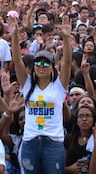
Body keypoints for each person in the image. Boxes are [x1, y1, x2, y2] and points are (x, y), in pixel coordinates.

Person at [11, 15, 72, 174]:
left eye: (46, 63)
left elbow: (66, 62)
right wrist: (14, 36)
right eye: (38, 62)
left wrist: (66, 37)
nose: (41, 66)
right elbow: (17, 61)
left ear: (52, 67)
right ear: (33, 66)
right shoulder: (27, 84)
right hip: (30, 142)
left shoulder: (59, 86)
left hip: (53, 144)